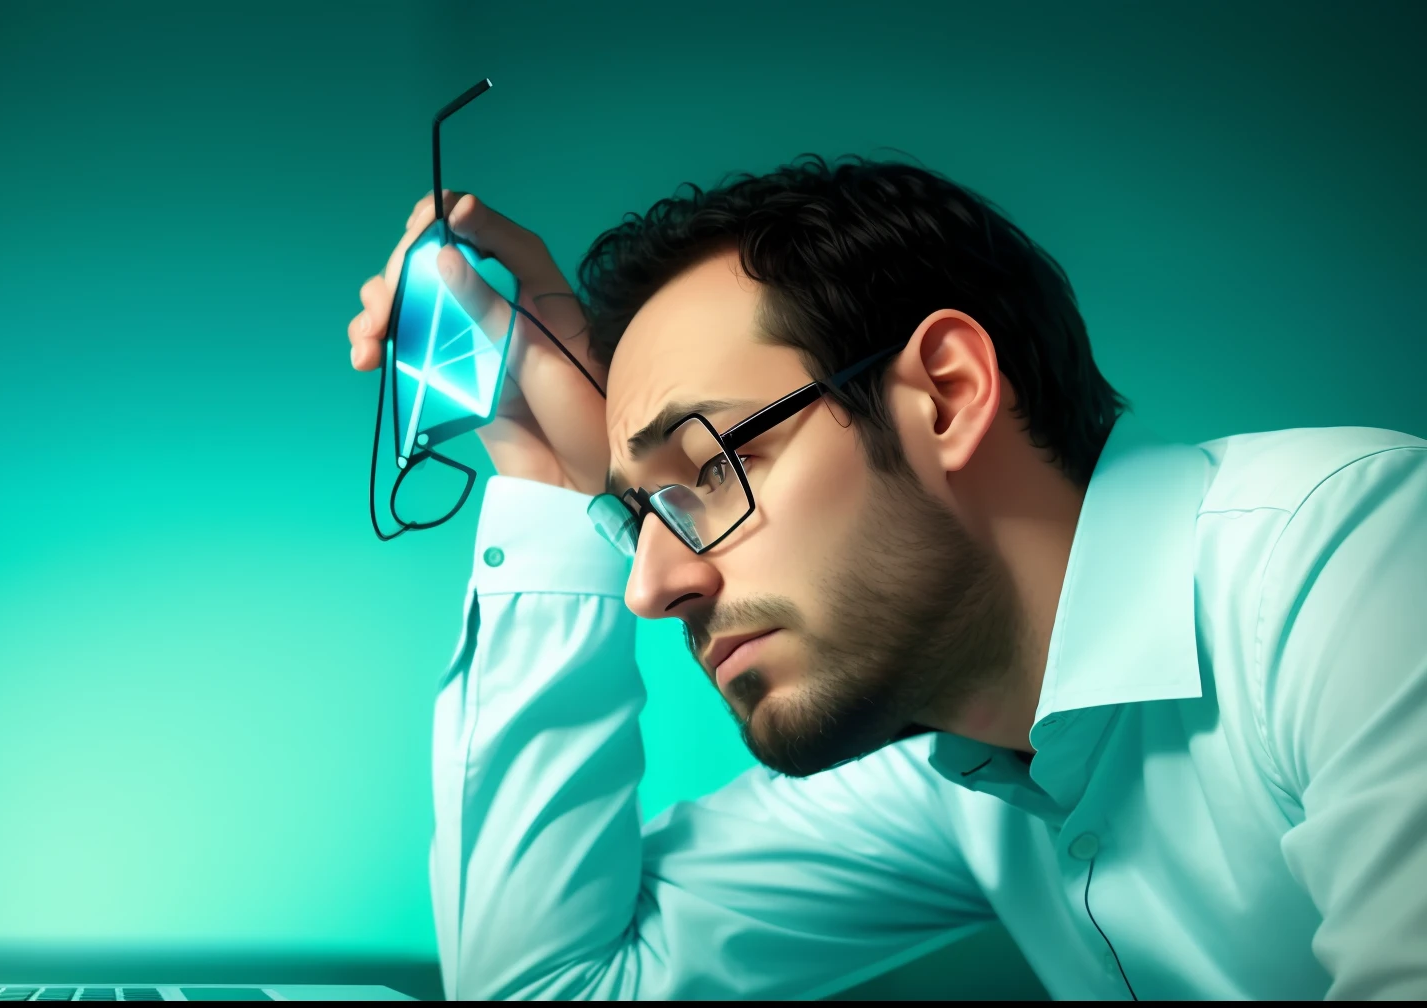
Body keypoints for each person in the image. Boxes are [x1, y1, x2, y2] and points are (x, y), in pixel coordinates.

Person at [342, 156, 1427, 1000]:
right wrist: (546, 475)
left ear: (946, 396)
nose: (649, 588)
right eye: (642, 514)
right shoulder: (963, 766)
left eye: (710, 470)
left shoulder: (1357, 558)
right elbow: (554, 987)